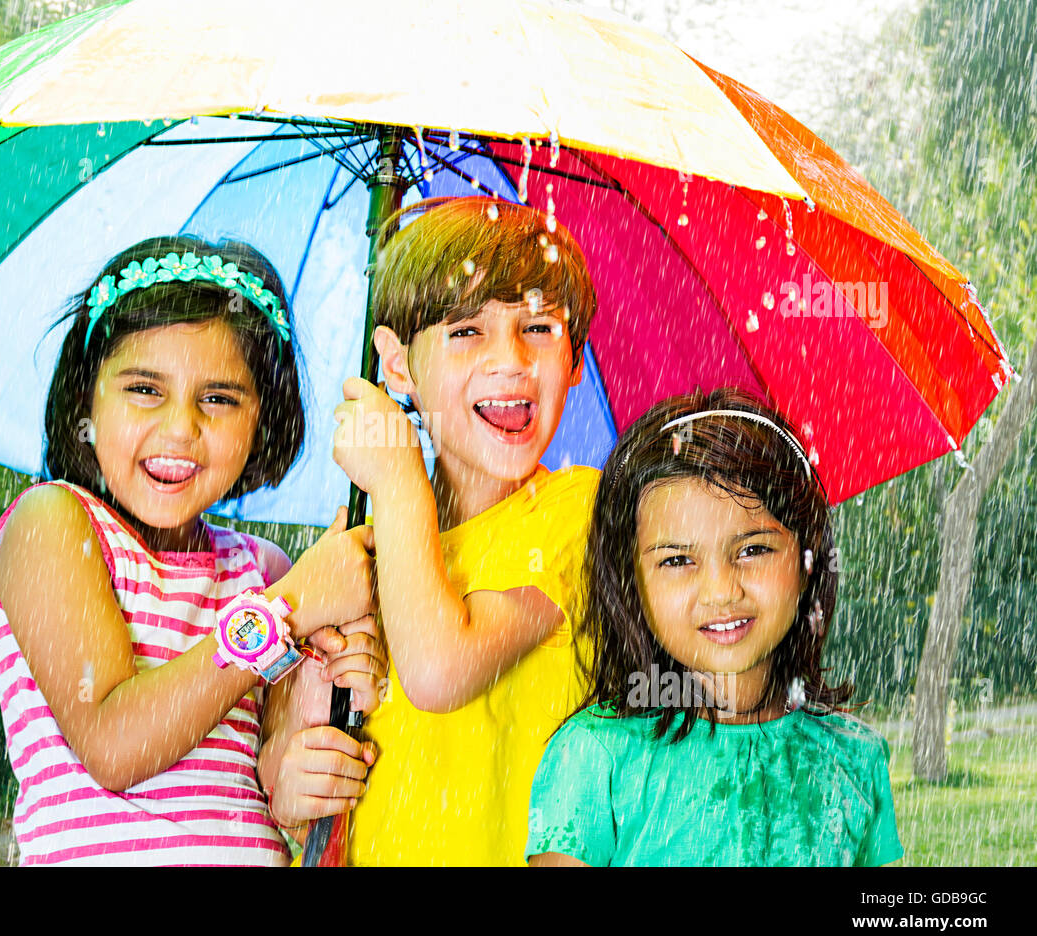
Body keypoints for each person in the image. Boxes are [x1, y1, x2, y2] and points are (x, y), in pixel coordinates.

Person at [0, 236, 382, 865]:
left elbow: (277, 786)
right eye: (144, 389)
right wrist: (294, 605)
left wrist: (338, 672)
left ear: (264, 420)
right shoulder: (52, 526)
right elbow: (113, 744)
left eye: (219, 398)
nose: (179, 428)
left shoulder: (262, 569)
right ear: (86, 398)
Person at [331, 196, 602, 865]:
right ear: (396, 367)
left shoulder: (581, 511)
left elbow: (439, 669)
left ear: (575, 359)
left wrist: (396, 484)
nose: (510, 361)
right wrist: (294, 762)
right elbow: (292, 751)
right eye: (465, 331)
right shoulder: (360, 538)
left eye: (538, 328)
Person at [527, 388, 904, 866]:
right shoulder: (594, 760)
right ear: (630, 582)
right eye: (678, 559)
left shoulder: (855, 759)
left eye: (753, 549)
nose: (722, 591)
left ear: (808, 556)